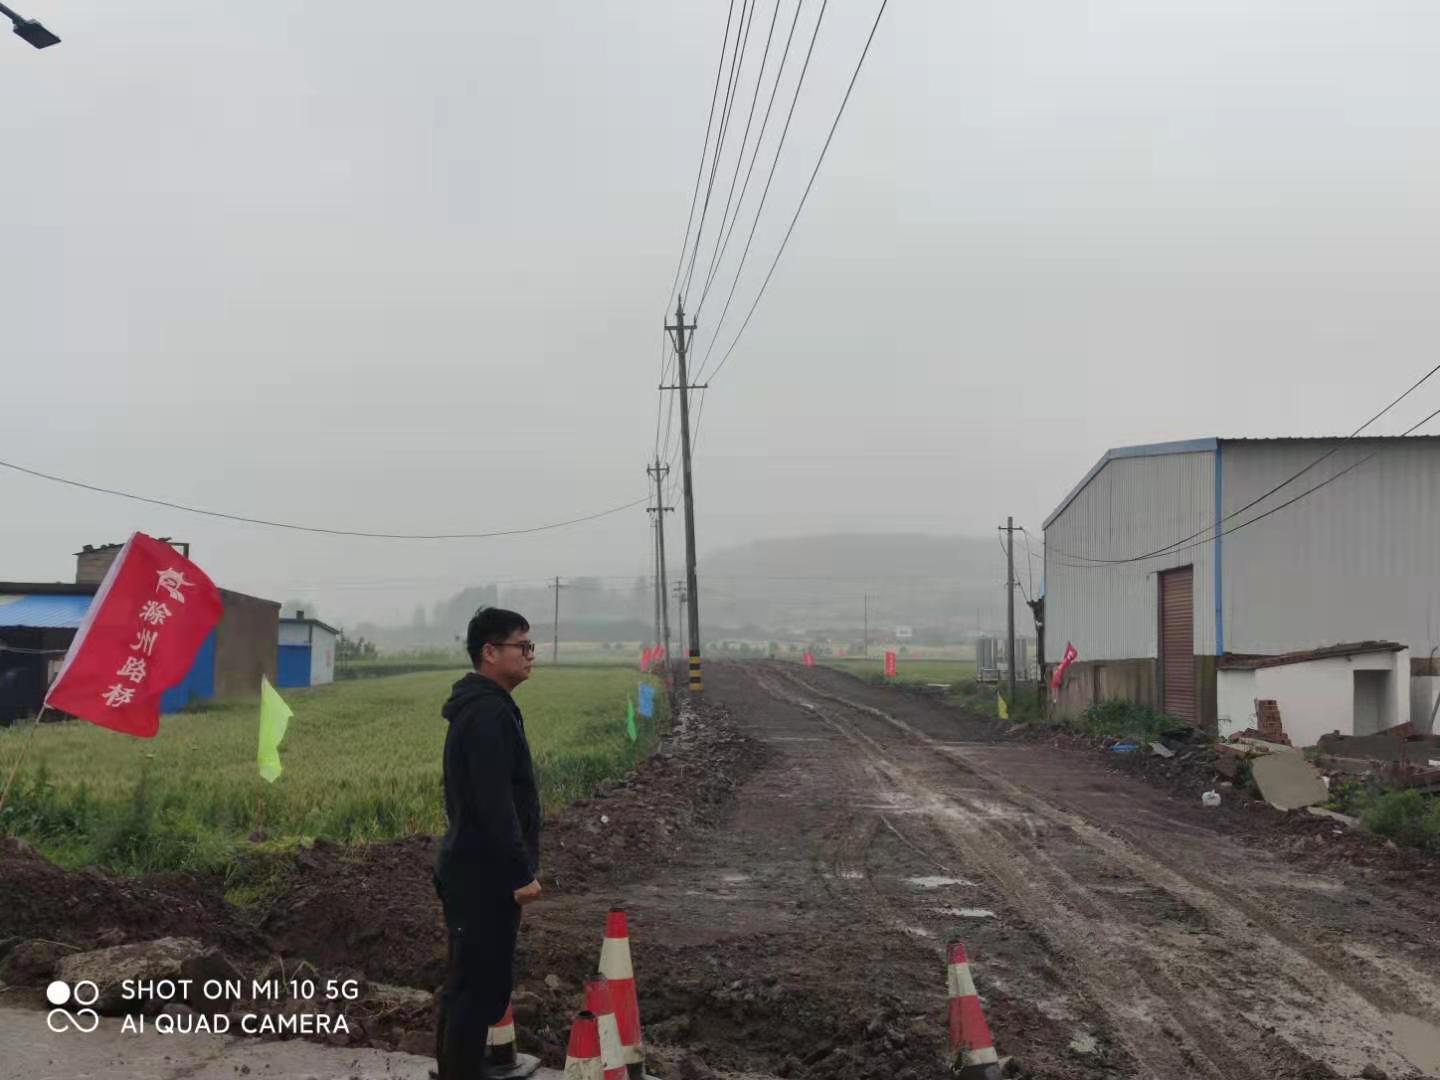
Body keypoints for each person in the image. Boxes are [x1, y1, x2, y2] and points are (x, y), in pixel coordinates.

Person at [434, 607, 543, 1079]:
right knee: (476, 989)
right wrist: (520, 872)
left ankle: (459, 1068)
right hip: (483, 875)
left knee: (475, 984)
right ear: (490, 652)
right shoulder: (485, 714)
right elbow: (494, 804)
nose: (531, 655)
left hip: (478, 869)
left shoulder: (488, 707)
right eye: (523, 646)